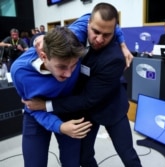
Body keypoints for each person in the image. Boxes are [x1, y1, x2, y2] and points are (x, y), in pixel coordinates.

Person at [23, 3, 142, 167]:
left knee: (127, 154)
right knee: (84, 157)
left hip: (110, 107)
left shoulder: (114, 59)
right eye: (96, 32)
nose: (99, 39)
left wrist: (45, 105)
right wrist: (37, 38)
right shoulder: (78, 35)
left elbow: (88, 99)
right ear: (88, 25)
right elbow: (53, 39)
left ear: (114, 32)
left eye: (106, 35)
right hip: (85, 112)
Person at [10, 27, 93, 167]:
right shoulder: (20, 72)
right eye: (61, 67)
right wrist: (59, 127)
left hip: (68, 109)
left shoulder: (74, 36)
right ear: (43, 56)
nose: (68, 74)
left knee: (72, 162)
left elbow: (97, 15)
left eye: (73, 66)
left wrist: (121, 44)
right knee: (34, 163)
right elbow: (32, 106)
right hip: (37, 113)